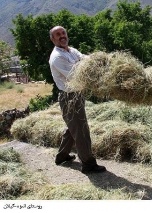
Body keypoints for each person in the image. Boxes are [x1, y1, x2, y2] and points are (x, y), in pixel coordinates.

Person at [49, 26, 106, 174]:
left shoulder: (71, 51)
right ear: (52, 39)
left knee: (73, 126)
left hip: (77, 95)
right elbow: (76, 76)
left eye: (63, 33)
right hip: (69, 97)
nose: (62, 36)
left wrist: (97, 59)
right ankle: (88, 164)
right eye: (57, 35)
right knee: (80, 129)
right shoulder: (57, 58)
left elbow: (84, 58)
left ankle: (62, 156)